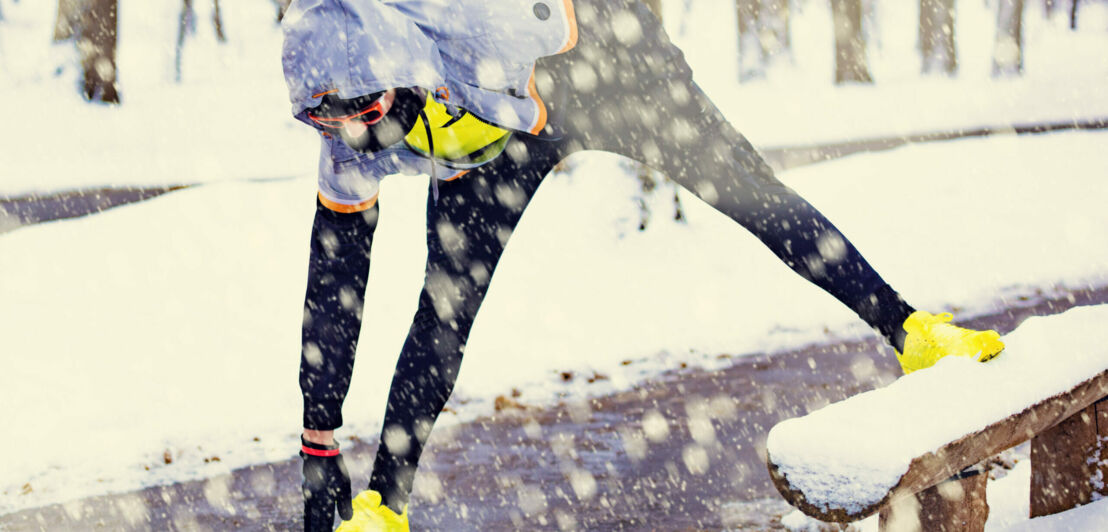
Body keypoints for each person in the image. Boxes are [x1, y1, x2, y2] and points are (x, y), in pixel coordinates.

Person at [281, 0, 1005, 530]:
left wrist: (657, 82)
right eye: (331, 122)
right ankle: (382, 508)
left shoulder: (489, 19)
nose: (357, 137)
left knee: (752, 195)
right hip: (498, 139)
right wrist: (319, 442)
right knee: (444, 307)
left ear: (410, 76)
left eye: (367, 111)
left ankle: (910, 330)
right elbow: (334, 277)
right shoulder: (350, 128)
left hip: (607, 70)